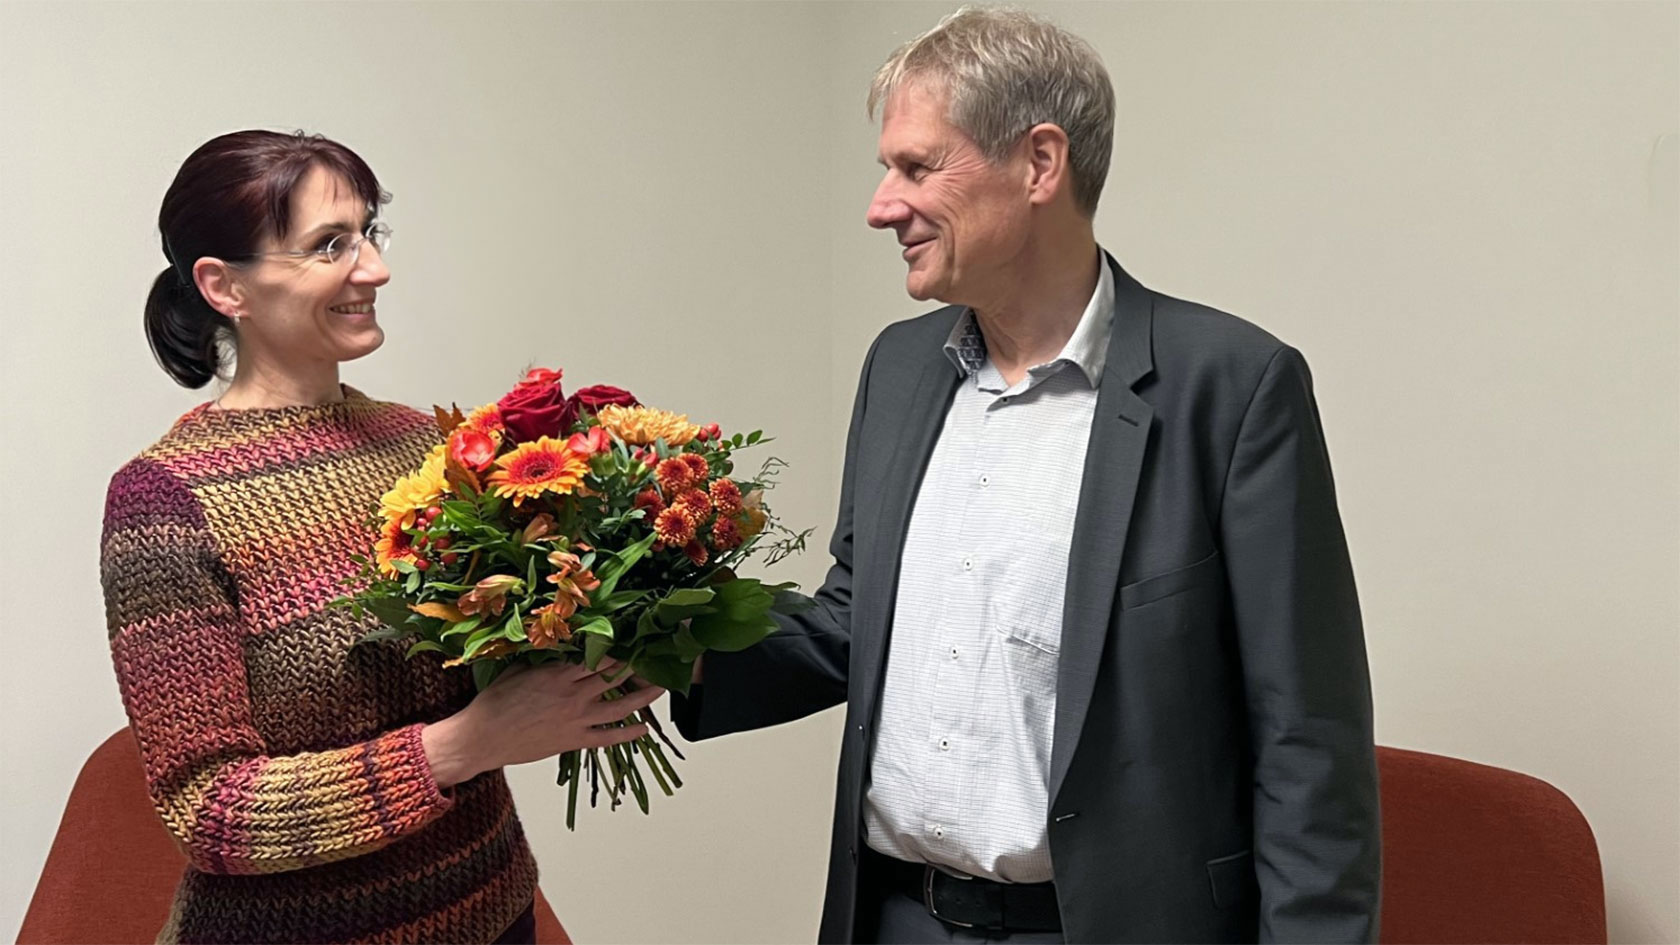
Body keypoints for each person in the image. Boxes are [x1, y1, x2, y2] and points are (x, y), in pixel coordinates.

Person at [674, 8, 1380, 943]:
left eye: (917, 167)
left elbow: (1306, 736)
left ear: (1040, 163)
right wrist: (657, 639)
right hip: (893, 918)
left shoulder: (1234, 388)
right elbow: (856, 618)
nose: (881, 206)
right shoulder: (898, 369)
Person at [103, 129, 661, 944]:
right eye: (330, 244)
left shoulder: (419, 443)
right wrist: (462, 745)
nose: (374, 268)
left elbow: (484, 654)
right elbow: (210, 810)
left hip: (493, 906)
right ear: (224, 285)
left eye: (368, 233)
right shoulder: (163, 500)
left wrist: (598, 629)